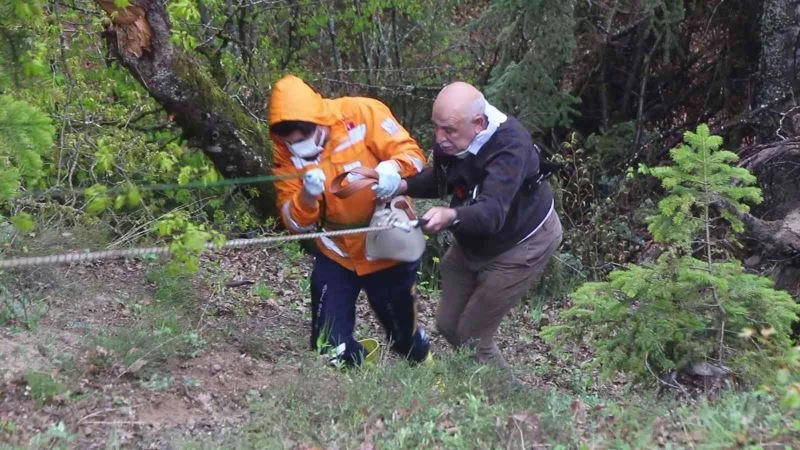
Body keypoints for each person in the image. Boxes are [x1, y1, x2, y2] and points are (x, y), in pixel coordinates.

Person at [395, 81, 563, 369]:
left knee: (472, 335)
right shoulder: (455, 138)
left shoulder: (511, 146)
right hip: (476, 239)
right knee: (448, 325)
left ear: (478, 122)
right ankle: (473, 383)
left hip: (524, 242)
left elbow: (492, 212)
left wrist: (450, 217)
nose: (439, 138)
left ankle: (509, 401)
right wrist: (401, 185)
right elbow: (442, 179)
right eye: (436, 127)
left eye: (447, 130)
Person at [267, 74, 431, 367]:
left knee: (402, 337)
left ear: (319, 122)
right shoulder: (285, 157)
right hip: (338, 251)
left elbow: (415, 157)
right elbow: (294, 223)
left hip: (387, 245)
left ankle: (419, 356)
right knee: (327, 343)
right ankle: (353, 368)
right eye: (292, 142)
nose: (299, 147)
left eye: (304, 139)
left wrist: (392, 170)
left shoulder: (362, 113)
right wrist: (306, 196)